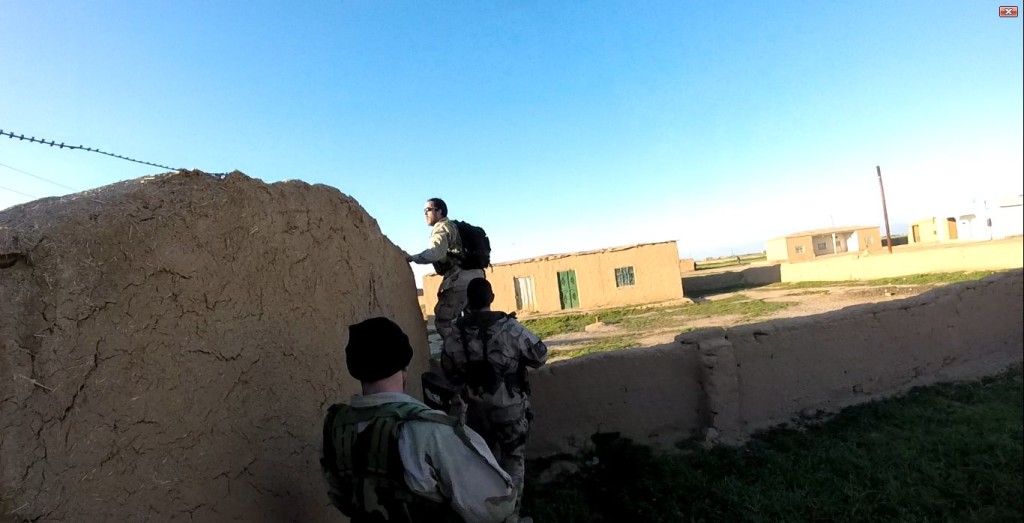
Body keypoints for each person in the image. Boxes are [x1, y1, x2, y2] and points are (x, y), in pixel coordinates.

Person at [320, 317, 516, 523]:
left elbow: (341, 498)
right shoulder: (430, 430)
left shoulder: (336, 426)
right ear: (403, 366)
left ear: (356, 369)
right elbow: (499, 505)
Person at [441, 278, 548, 522]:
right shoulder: (509, 327)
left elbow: (449, 371)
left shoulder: (455, 332)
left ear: (468, 301)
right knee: (513, 460)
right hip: (508, 409)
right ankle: (511, 517)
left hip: (473, 411)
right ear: (491, 298)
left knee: (483, 464)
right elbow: (540, 357)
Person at [404, 198, 485, 340]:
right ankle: (479, 354)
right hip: (476, 277)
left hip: (460, 279)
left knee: (444, 321)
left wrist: (411, 258)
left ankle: (458, 355)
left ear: (440, 211)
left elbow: (436, 253)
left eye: (428, 210)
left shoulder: (442, 227)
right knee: (474, 322)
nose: (425, 214)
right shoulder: (453, 226)